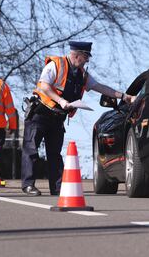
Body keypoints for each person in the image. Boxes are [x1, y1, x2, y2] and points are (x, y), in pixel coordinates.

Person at [21, 41, 135, 196]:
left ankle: (58, 188)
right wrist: (61, 101)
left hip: (57, 118)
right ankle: (28, 185)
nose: (87, 60)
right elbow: (43, 86)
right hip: (40, 114)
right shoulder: (55, 65)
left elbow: (100, 87)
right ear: (76, 54)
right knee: (31, 150)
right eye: (85, 56)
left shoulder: (82, 73)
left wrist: (124, 96)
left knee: (54, 153)